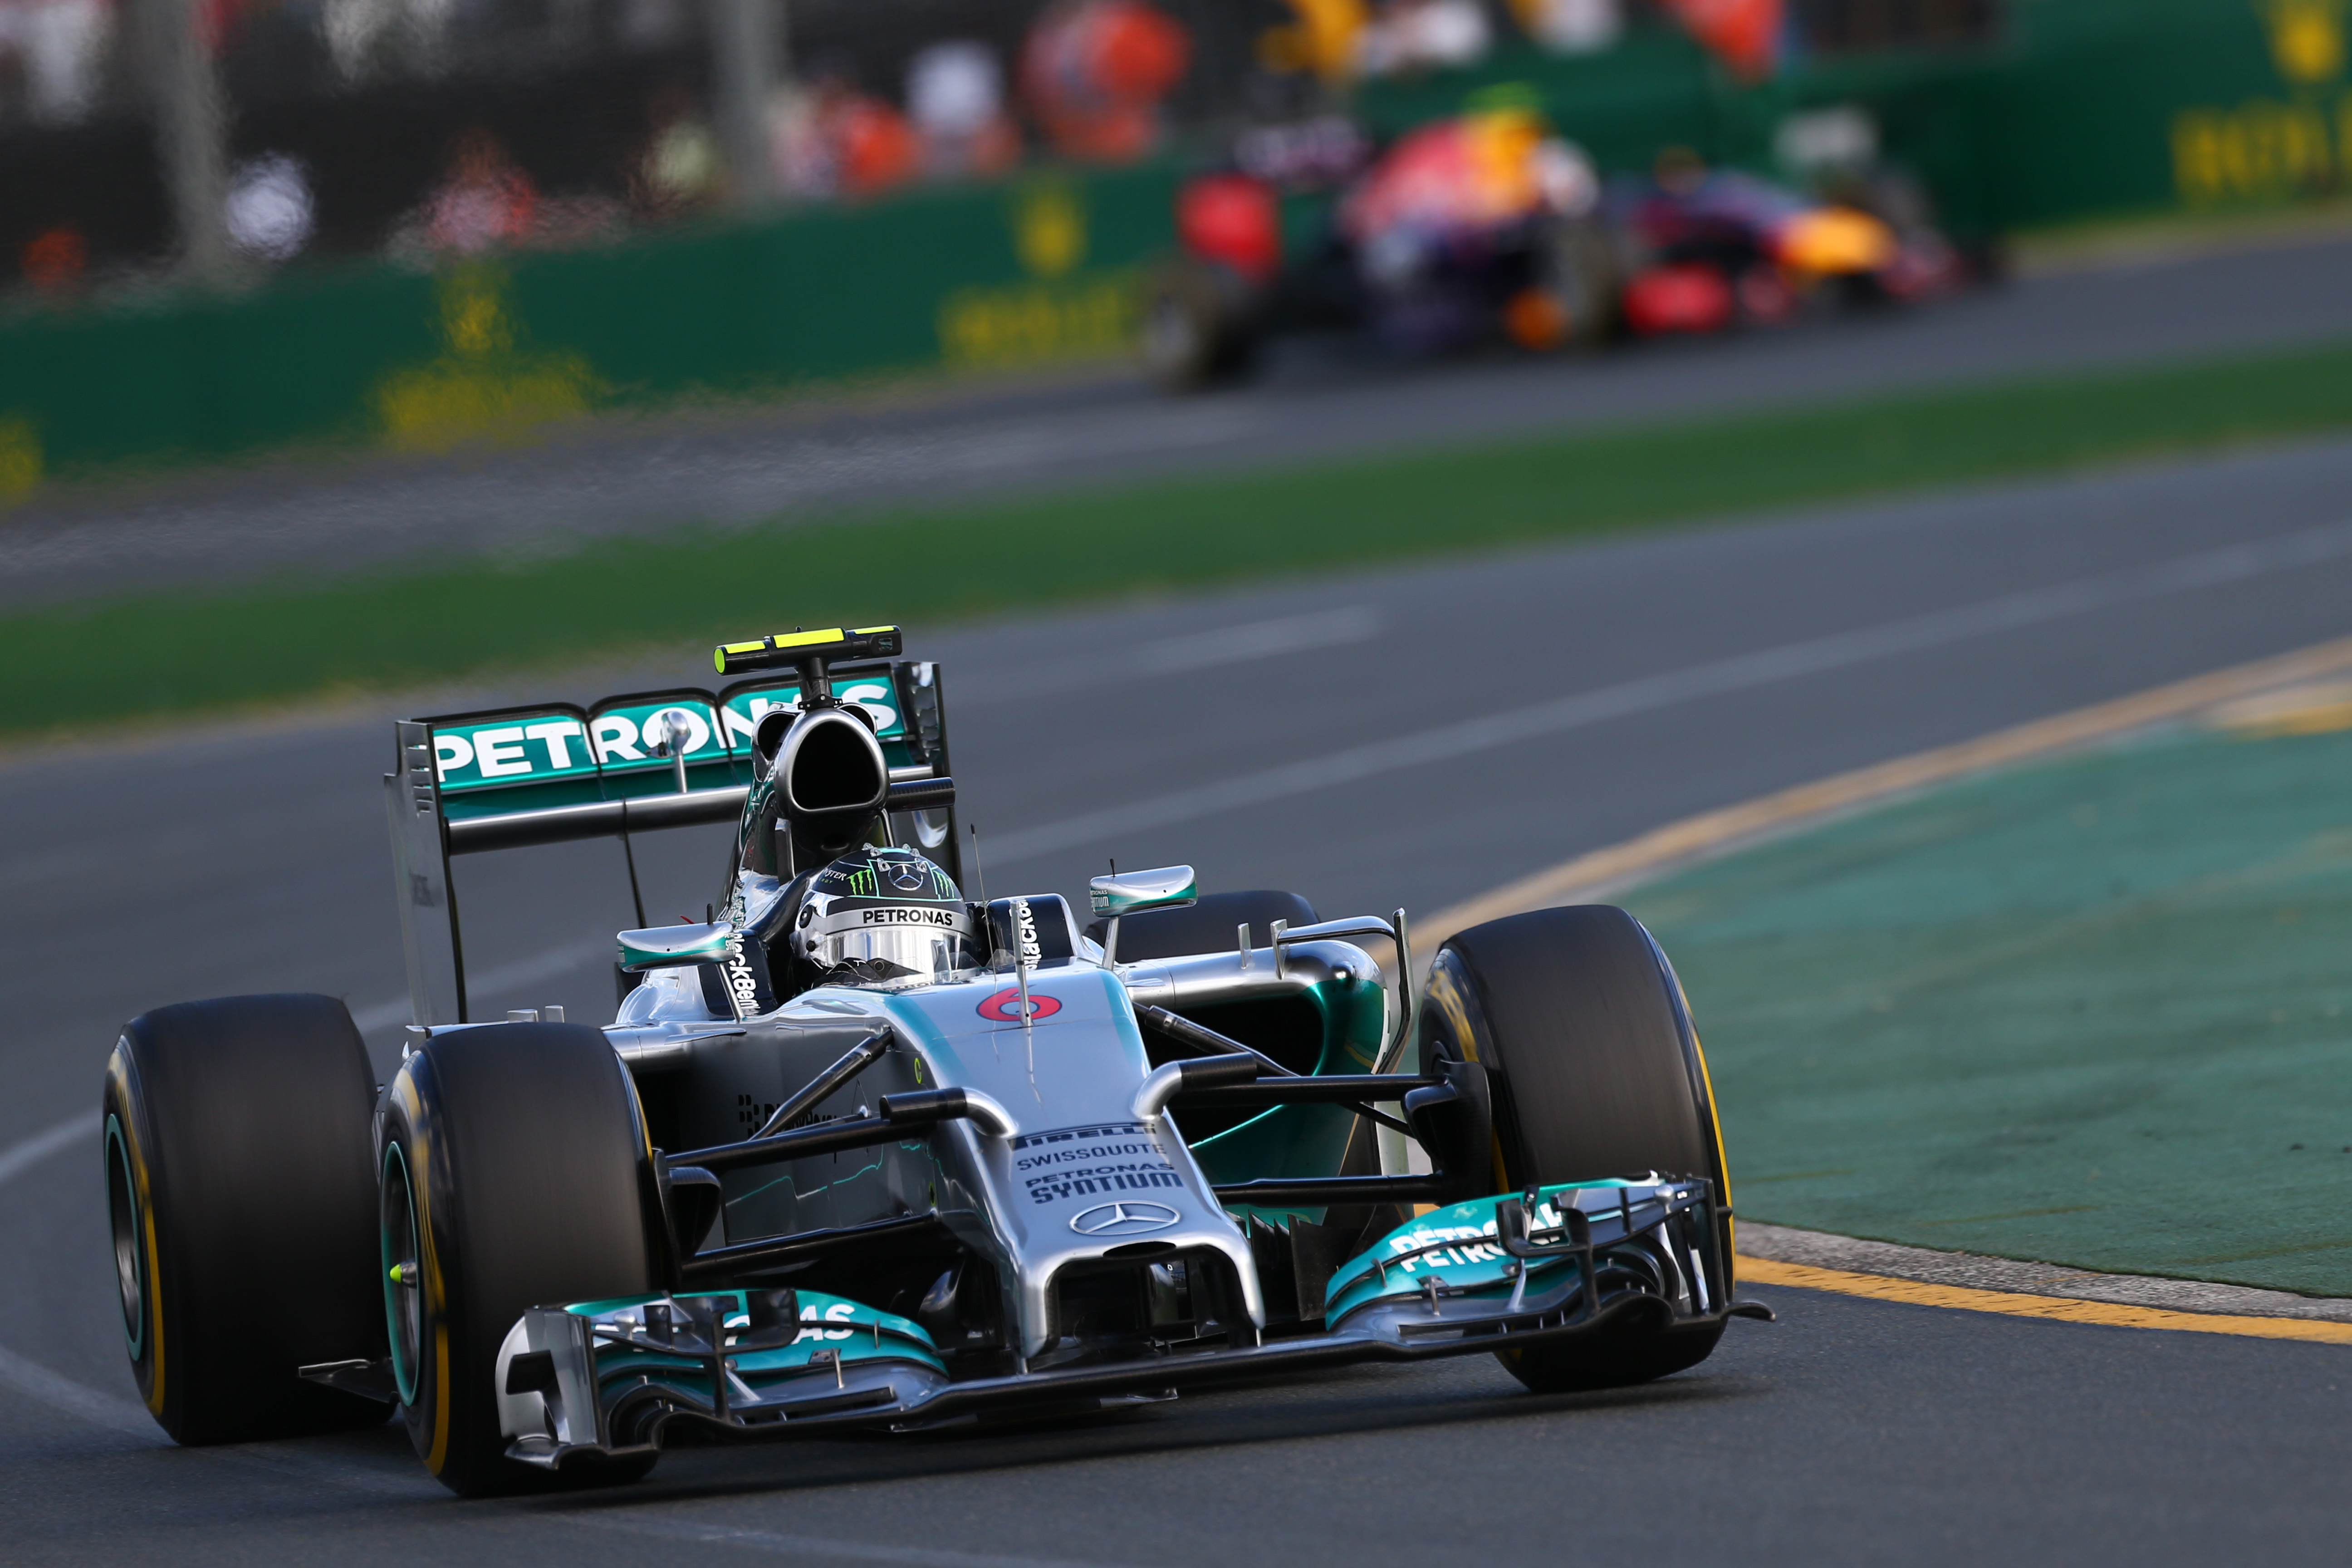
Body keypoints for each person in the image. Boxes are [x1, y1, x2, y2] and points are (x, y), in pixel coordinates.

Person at [426, 128, 538, 254]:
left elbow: (520, 236)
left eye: (484, 162)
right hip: (460, 261)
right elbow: (435, 236)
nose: (475, 168)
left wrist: (510, 241)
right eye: (469, 161)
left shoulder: (505, 196)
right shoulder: (448, 198)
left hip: (494, 260)